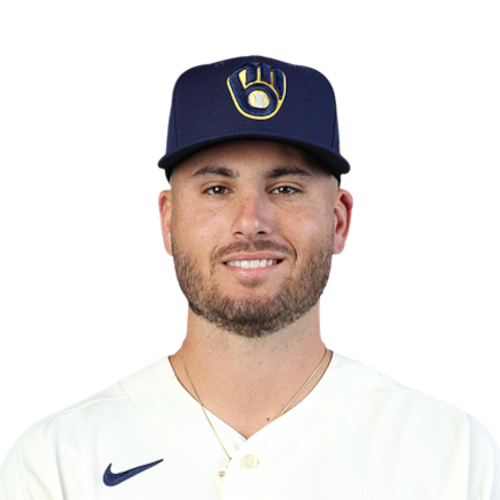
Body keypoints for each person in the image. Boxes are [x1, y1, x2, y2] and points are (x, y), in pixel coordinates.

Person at [1, 54, 498, 499]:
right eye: (217, 189)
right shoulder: (56, 461)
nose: (251, 221)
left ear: (340, 220)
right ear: (167, 221)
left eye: (285, 188)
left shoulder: (454, 455)